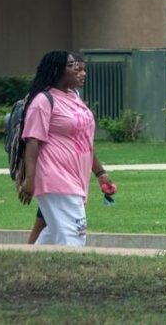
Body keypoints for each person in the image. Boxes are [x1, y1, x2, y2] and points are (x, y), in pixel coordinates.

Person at [17, 51, 107, 247]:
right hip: (55, 178)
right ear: (57, 70)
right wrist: (30, 179)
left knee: (52, 235)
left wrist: (100, 173)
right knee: (75, 234)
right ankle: (73, 277)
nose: (76, 68)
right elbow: (32, 142)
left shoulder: (73, 96)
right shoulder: (43, 101)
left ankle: (29, 269)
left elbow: (84, 141)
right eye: (70, 65)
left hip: (75, 178)